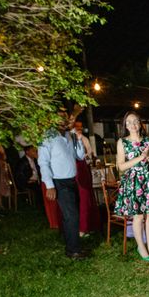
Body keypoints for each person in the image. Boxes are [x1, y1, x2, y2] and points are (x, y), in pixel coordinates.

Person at [114, 111, 149, 261]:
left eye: (135, 121)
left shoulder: (148, 141)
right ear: (125, 125)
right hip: (134, 182)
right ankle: (141, 247)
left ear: (140, 123)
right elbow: (120, 167)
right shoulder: (122, 142)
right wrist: (140, 157)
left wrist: (148, 156)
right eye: (129, 122)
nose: (132, 125)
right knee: (138, 216)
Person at [38, 110, 87, 258]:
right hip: (59, 182)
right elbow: (43, 162)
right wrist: (49, 185)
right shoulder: (47, 137)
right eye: (59, 117)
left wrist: (77, 138)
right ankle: (74, 250)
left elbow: (80, 156)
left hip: (72, 181)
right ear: (52, 119)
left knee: (70, 216)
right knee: (72, 216)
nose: (63, 120)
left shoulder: (68, 135)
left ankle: (72, 247)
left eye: (65, 117)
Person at [72, 121, 100, 236]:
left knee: (87, 197)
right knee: (77, 198)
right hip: (74, 169)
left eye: (81, 127)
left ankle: (88, 225)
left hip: (84, 168)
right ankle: (79, 226)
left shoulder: (85, 139)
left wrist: (90, 157)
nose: (79, 128)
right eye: (77, 127)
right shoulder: (70, 138)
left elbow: (90, 152)